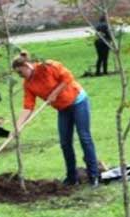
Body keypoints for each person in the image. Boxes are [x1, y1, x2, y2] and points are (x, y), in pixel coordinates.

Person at [12, 52, 100, 187]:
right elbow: (28, 107)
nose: (20, 76)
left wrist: (55, 93)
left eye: (20, 72)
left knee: (84, 137)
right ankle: (72, 177)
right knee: (65, 142)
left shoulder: (48, 66)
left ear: (26, 65)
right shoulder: (28, 84)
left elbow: (68, 77)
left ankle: (94, 175)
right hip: (62, 109)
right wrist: (17, 126)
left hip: (78, 101)